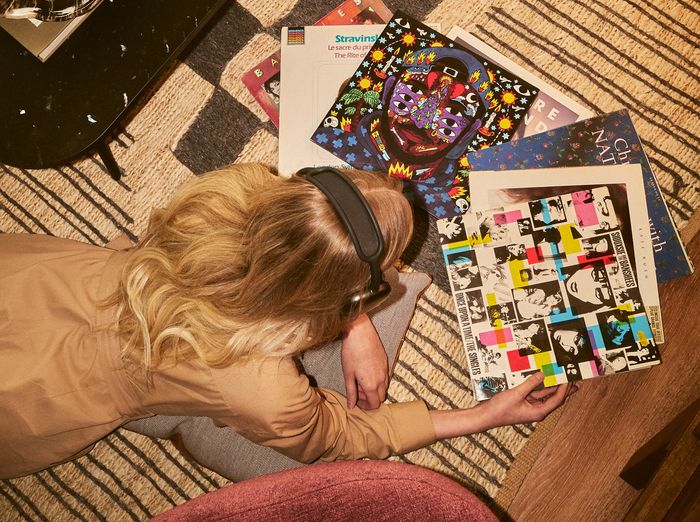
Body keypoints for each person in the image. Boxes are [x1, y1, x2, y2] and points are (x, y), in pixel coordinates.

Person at [0, 163, 571, 480]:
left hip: (28, 278)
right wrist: (482, 415)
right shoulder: (264, 390)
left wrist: (355, 324)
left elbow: (296, 250)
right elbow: (340, 438)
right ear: (345, 295)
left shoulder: (233, 186)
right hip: (30, 397)